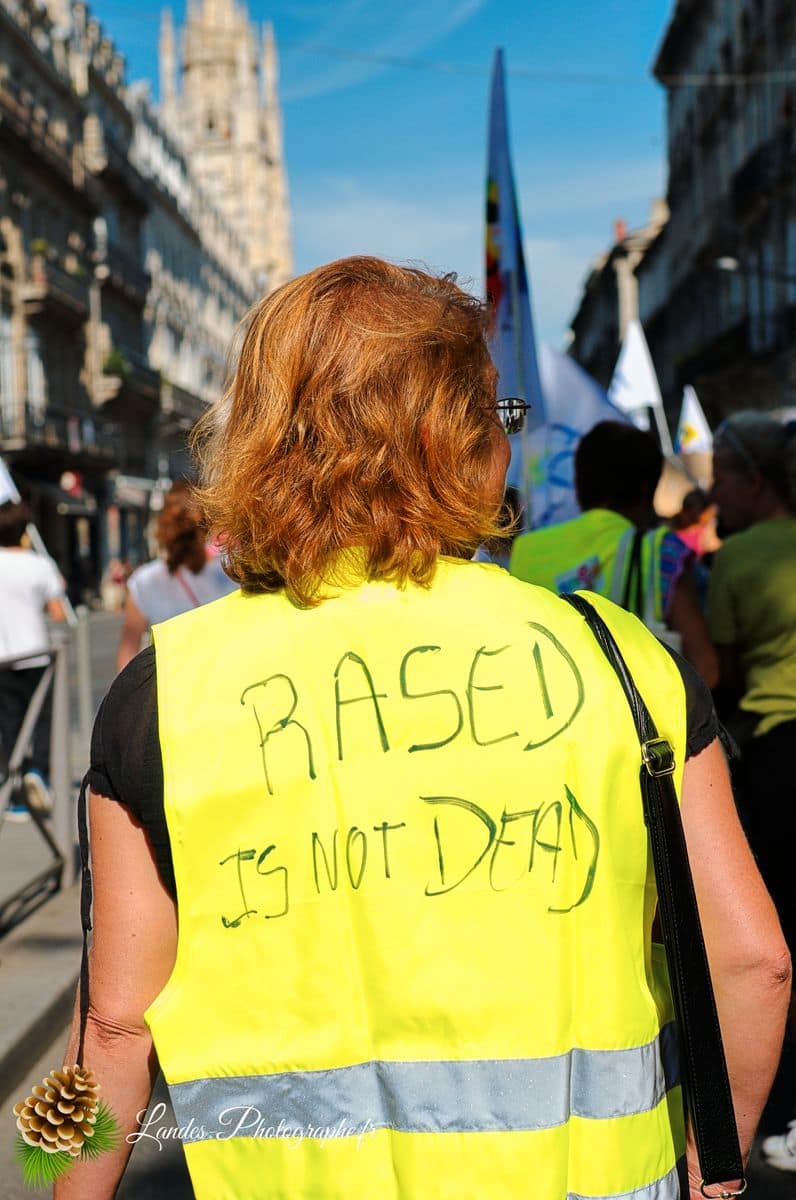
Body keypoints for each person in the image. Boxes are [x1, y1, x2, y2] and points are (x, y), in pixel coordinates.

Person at [59, 258, 789, 1200]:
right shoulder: (621, 662)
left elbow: (113, 1030)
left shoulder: (167, 691)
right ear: (470, 442)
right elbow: (754, 963)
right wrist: (711, 1169)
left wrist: (51, 1182)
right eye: (498, 418)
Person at [707, 412, 796, 1173]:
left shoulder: (738, 564)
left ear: (754, 482)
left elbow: (719, 673)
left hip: (775, 756)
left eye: (722, 484)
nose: (714, 502)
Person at [509, 421, 719, 686]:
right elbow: (706, 667)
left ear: (580, 482)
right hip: (632, 720)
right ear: (646, 488)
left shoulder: (527, 548)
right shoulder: (659, 550)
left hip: (554, 713)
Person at [116, 480, 237, 671]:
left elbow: (127, 654)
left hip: (171, 692)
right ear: (207, 524)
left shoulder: (144, 581)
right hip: (226, 685)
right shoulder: (233, 573)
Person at [0, 500, 66, 819]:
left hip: (3, 657)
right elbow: (57, 611)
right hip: (38, 653)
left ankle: (15, 796)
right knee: (42, 721)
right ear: (25, 533)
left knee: (9, 725)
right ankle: (38, 774)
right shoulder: (39, 565)